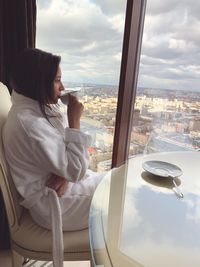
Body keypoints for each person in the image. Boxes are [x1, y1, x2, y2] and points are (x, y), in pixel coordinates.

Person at [3, 48, 104, 266]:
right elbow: (77, 169)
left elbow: (69, 165)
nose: (63, 87)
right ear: (38, 82)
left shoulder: (36, 111)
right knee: (121, 194)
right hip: (55, 205)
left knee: (119, 178)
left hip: (63, 189)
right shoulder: (29, 124)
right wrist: (75, 121)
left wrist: (64, 174)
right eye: (57, 80)